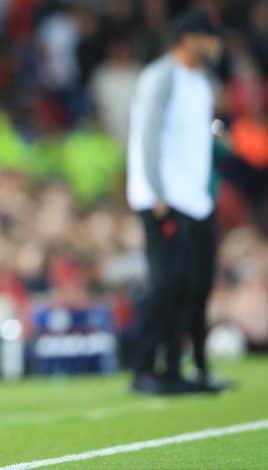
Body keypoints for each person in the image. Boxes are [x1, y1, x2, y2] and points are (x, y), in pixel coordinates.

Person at [126, 8, 224, 395]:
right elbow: (148, 134)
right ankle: (146, 369)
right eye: (209, 38)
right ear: (188, 39)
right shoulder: (162, 75)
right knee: (167, 284)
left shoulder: (202, 82)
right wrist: (157, 191)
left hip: (195, 200)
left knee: (195, 286)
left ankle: (186, 367)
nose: (215, 46)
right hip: (165, 200)